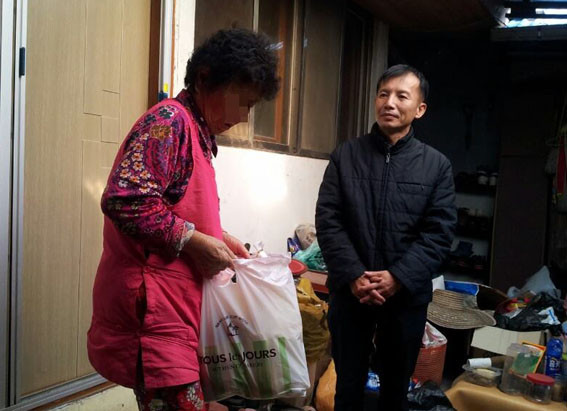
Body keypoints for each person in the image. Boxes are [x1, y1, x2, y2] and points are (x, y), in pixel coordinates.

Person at [87, 29, 279, 410]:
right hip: (154, 316)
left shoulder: (197, 134)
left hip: (175, 314)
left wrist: (219, 237)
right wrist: (194, 241)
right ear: (206, 77)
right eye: (241, 101)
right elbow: (125, 200)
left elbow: (173, 206)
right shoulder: (169, 122)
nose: (242, 117)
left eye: (251, 107)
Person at [315, 64, 457, 411]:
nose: (389, 102)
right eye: (383, 94)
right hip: (351, 293)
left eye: (401, 96)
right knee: (348, 387)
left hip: (405, 298)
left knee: (396, 390)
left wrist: (398, 277)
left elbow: (439, 234)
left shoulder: (436, 166)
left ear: (419, 109)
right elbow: (328, 220)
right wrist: (353, 275)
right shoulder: (346, 156)